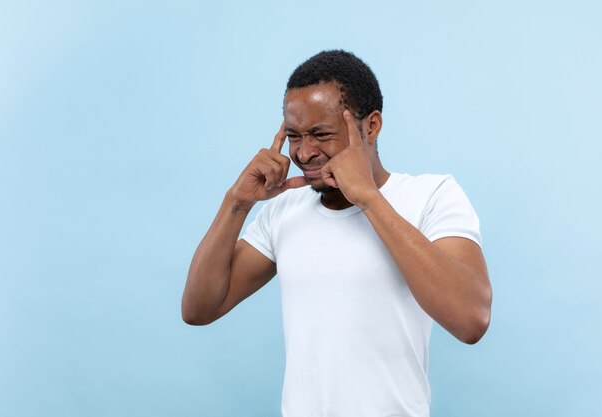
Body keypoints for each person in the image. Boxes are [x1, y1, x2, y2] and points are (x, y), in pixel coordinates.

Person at [182, 50, 492, 417]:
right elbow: (199, 309)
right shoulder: (285, 209)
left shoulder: (432, 195)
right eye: (294, 136)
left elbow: (471, 319)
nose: (304, 152)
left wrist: (369, 199)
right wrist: (237, 204)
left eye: (321, 134)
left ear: (372, 126)